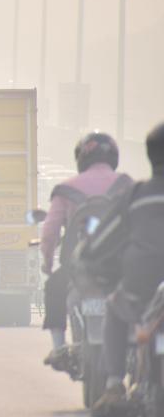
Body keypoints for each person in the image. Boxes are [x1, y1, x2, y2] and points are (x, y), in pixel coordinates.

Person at [88, 122, 164, 417]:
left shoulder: (136, 195)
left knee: (114, 310)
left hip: (139, 288)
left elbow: (101, 243)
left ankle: (114, 383)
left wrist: (89, 261)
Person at [40, 131, 133, 369]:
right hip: (119, 267)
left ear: (81, 158)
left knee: (54, 287)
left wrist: (48, 264)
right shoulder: (127, 185)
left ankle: (59, 347)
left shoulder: (66, 189)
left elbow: (49, 233)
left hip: (77, 268)